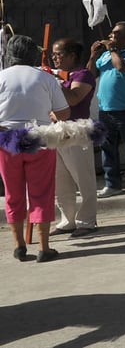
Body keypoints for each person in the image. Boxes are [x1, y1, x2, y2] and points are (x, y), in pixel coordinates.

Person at [0, 35, 70, 262]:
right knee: (41, 192)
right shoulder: (45, 78)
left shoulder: (1, 77)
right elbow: (63, 113)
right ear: (33, 54)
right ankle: (44, 247)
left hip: (7, 141)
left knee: (13, 194)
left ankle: (19, 245)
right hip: (40, 138)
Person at [87, 21, 125, 199]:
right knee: (107, 148)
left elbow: (121, 67)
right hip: (105, 110)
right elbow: (90, 74)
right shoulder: (106, 56)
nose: (110, 36)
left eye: (116, 34)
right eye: (111, 33)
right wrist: (93, 55)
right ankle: (112, 184)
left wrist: (113, 50)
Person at [50, 38, 98, 237]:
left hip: (76, 131)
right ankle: (67, 219)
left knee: (83, 177)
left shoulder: (83, 74)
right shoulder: (59, 75)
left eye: (59, 54)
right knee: (60, 179)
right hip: (56, 130)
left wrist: (55, 84)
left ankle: (86, 220)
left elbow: (74, 98)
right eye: (53, 54)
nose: (55, 58)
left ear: (72, 56)